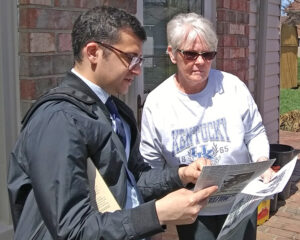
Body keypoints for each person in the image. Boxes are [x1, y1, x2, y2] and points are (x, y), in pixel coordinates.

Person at [7, 6, 218, 240]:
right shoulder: (59, 120)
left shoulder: (113, 111)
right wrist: (156, 214)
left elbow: (132, 179)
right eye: (130, 58)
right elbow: (72, 230)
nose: (138, 70)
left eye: (140, 59)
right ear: (93, 52)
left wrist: (182, 174)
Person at [139, 12, 274, 240]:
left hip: (240, 202)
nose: (200, 62)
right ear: (172, 54)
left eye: (208, 54)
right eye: (190, 54)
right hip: (194, 210)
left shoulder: (232, 87)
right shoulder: (157, 102)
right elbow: (151, 165)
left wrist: (261, 160)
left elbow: (255, 132)